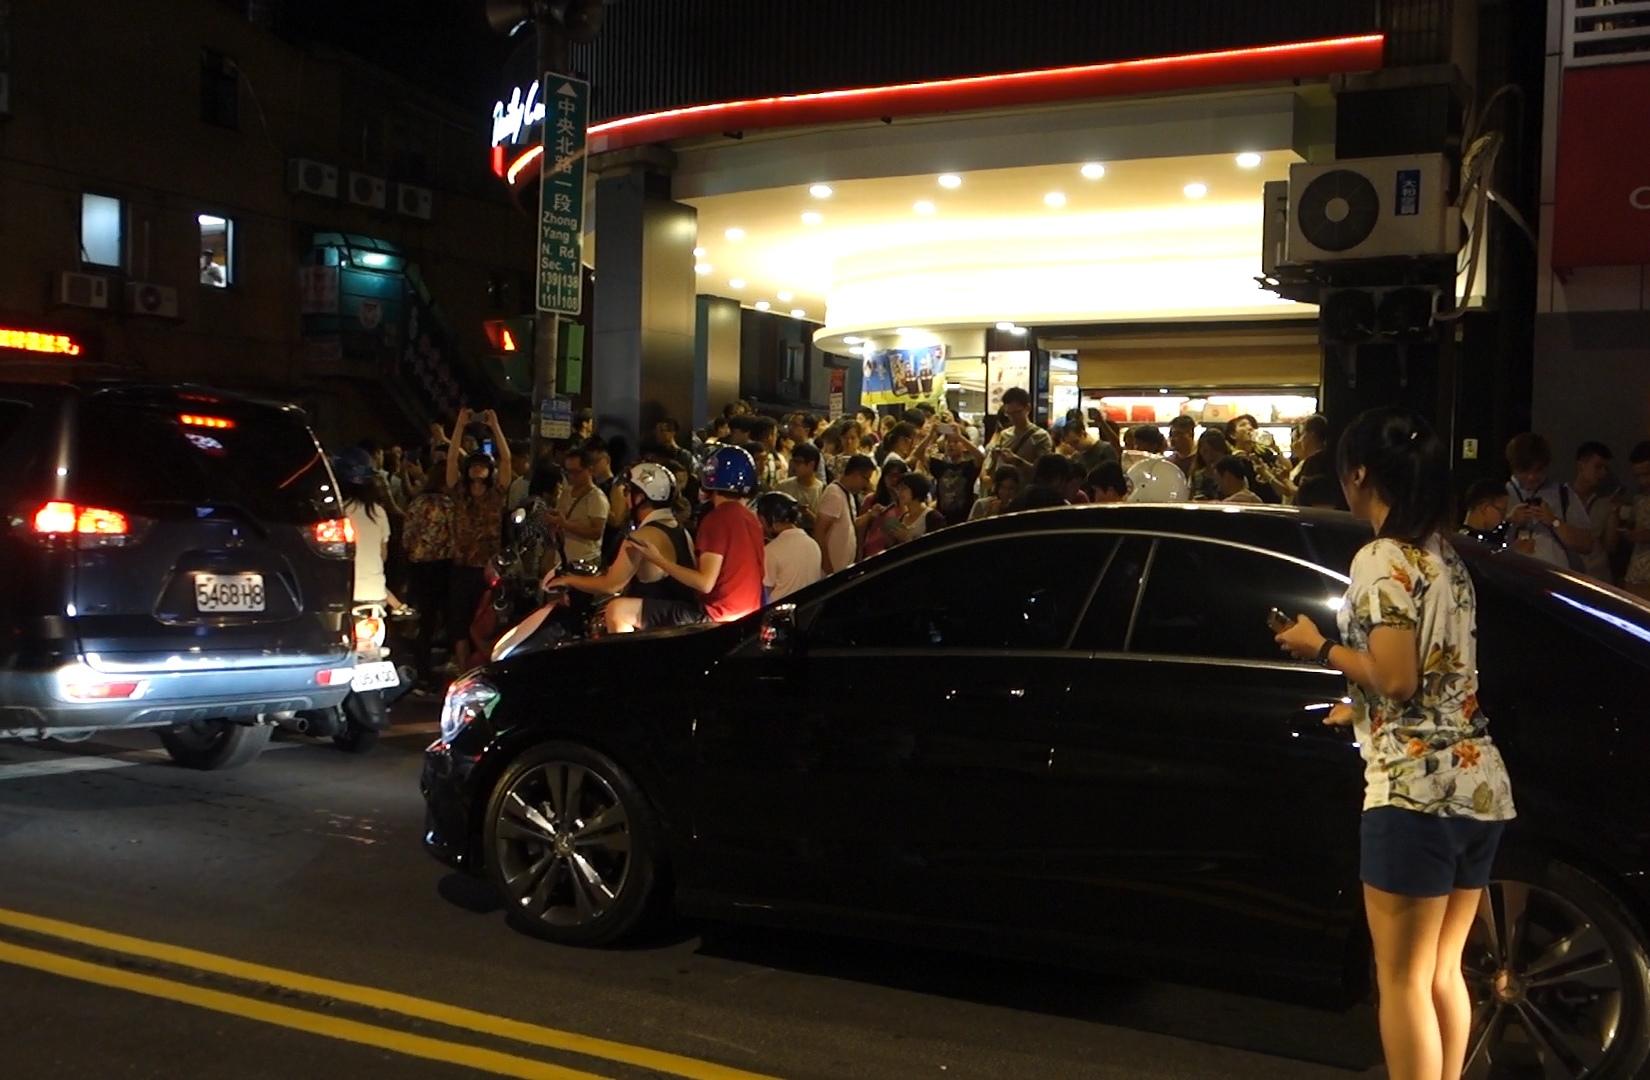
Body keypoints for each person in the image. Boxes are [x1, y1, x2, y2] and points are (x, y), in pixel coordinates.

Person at [1275, 408, 1514, 1080]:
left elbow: (1400, 677)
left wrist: (1317, 645)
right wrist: (1359, 708)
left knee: (1401, 979)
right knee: (1443, 973)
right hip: (1476, 783)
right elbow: (1438, 674)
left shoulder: (1380, 558)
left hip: (1413, 792)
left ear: (1359, 475)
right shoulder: (1445, 557)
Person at [548, 463, 703, 633]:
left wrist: (567, 579)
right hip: (685, 617)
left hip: (666, 626)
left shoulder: (641, 537)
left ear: (641, 497)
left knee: (616, 610)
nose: (624, 496)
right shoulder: (680, 529)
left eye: (628, 491)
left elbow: (610, 585)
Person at [630, 447, 766, 624]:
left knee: (618, 610)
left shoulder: (716, 519)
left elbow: (704, 583)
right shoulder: (752, 519)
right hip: (749, 615)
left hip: (716, 615)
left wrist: (658, 559)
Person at [443, 407, 511, 670]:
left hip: (488, 570)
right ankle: (463, 672)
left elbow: (506, 461)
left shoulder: (496, 495)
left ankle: (485, 669)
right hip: (461, 568)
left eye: (483, 465)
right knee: (459, 625)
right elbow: (450, 462)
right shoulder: (459, 493)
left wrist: (495, 426)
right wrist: (459, 427)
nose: (478, 469)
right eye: (474, 465)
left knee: (486, 622)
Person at [1504, 432, 1595, 570]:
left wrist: (1554, 521)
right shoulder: (1501, 494)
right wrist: (1509, 522)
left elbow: (1587, 544)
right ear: (1513, 467)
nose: (1531, 477)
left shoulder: (1563, 494)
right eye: (1524, 471)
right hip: (1513, 577)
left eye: (1538, 470)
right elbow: (1480, 544)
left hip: (1555, 579)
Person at [402, 465, 457, 688]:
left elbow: (407, 537)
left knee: (424, 619)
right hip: (442, 566)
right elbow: (454, 537)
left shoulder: (417, 503)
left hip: (418, 566)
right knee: (446, 614)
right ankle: (446, 665)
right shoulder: (448, 505)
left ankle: (421, 669)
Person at [333, 447, 404, 610]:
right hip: (376, 593)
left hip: (343, 595)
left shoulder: (336, 513)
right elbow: (382, 555)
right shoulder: (378, 512)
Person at [755, 491, 822, 602]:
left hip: (780, 613)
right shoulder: (812, 544)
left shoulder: (772, 551)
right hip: (807, 610)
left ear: (764, 519)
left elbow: (766, 592)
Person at [550, 446, 609, 568]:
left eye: (576, 472)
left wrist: (565, 524)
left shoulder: (596, 497)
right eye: (568, 472)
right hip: (563, 559)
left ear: (590, 470)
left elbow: (596, 532)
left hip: (584, 561)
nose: (571, 476)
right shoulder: (566, 492)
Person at [815, 453, 874, 575]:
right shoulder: (834, 494)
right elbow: (819, 531)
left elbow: (850, 525)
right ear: (856, 474)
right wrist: (827, 566)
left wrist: (870, 515)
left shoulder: (847, 494)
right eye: (866, 478)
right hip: (831, 570)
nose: (866, 484)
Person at [1571, 441, 1619, 583]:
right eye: (1598, 467)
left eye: (1605, 468)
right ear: (1581, 466)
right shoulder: (1562, 497)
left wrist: (1614, 512)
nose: (1602, 473)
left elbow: (1611, 546)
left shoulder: (1605, 503)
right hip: (1569, 574)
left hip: (1598, 577)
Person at [986, 387, 1053, 487]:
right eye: (1009, 413)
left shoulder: (1040, 436)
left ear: (1028, 408)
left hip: (1027, 493)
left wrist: (1017, 461)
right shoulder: (1005, 434)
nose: (1013, 417)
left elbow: (1043, 473)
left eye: (1017, 412)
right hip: (1005, 492)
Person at [864, 473, 932, 558]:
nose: (899, 492)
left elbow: (934, 549)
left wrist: (908, 539)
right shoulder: (903, 517)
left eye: (904, 489)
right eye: (899, 489)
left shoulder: (932, 517)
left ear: (917, 489)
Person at [925, 429, 985, 525]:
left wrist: (960, 437)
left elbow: (981, 457)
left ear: (964, 446)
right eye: (948, 442)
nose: (951, 445)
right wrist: (930, 434)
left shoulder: (968, 467)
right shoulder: (940, 466)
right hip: (942, 519)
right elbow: (918, 454)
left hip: (964, 519)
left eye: (956, 442)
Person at [1624, 441, 1650, 600]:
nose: (1643, 481)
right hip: (1636, 574)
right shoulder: (1639, 498)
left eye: (1647, 474)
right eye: (1638, 476)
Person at [777, 442, 825, 525]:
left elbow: (823, 524)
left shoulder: (822, 490)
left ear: (811, 465)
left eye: (798, 462)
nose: (794, 466)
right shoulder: (783, 487)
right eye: (793, 461)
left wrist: (808, 514)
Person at [1458, 479, 1510, 546]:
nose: (1504, 517)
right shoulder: (1464, 543)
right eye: (1502, 511)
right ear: (1484, 508)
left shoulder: (1493, 538)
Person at [1190, 430, 1231, 501]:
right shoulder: (1197, 476)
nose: (1210, 455)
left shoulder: (1232, 474)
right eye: (1205, 451)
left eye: (1214, 451)